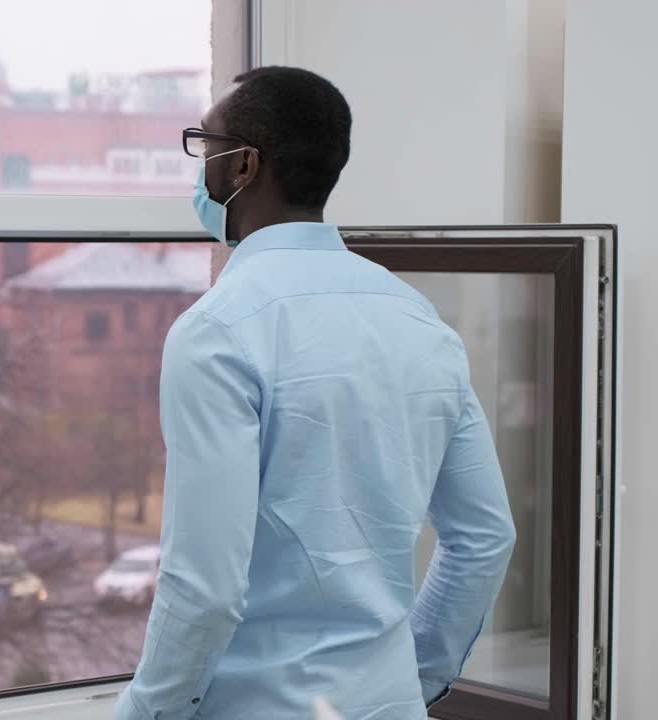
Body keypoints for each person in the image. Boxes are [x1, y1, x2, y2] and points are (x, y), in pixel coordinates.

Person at [116, 66, 516, 720]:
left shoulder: (216, 332)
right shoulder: (419, 321)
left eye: (204, 144)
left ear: (243, 166)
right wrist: (410, 682)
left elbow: (205, 589)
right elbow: (484, 537)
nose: (200, 169)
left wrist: (146, 713)